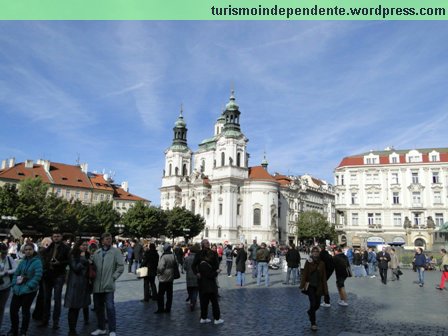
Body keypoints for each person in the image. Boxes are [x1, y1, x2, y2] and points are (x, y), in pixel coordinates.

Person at [91, 233, 124, 336]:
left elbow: (120, 267)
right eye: (106, 239)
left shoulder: (116, 252)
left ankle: (112, 330)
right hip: (97, 285)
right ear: (102, 241)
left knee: (110, 308)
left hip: (108, 285)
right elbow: (92, 265)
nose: (109, 240)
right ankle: (101, 328)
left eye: (110, 239)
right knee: (98, 307)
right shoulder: (97, 252)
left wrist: (113, 277)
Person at [8, 243, 43, 336]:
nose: (28, 251)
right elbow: (16, 274)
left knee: (25, 312)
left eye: (30, 249)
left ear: (33, 250)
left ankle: (23, 331)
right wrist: (14, 285)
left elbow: (38, 276)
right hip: (18, 289)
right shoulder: (22, 261)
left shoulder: (37, 262)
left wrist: (29, 286)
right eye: (26, 249)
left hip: (29, 291)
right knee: (13, 311)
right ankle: (14, 329)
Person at [39, 231, 70, 330]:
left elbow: (69, 261)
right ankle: (45, 320)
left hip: (59, 275)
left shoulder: (66, 248)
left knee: (57, 299)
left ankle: (55, 322)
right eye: (54, 236)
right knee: (46, 299)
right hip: (48, 275)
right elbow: (43, 257)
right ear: (52, 237)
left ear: (61, 237)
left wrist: (59, 263)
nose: (56, 238)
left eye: (58, 236)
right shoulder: (49, 246)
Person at [191, 239, 223, 325]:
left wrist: (197, 273)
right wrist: (216, 271)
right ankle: (216, 318)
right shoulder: (212, 253)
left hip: (202, 280)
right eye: (207, 243)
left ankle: (203, 317)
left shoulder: (199, 254)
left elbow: (193, 265)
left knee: (203, 300)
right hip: (210, 280)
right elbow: (216, 266)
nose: (208, 244)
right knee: (214, 301)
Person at [64, 240, 92, 336]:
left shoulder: (87, 255)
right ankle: (72, 329)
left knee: (84, 305)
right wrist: (83, 259)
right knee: (73, 308)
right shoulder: (73, 255)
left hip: (84, 284)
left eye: (86, 245)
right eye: (83, 245)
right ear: (78, 246)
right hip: (75, 284)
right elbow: (75, 268)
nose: (85, 247)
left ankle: (86, 319)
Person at [300, 246, 328, 331]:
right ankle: (313, 323)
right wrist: (302, 285)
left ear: (319, 253)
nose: (315, 253)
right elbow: (304, 273)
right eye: (314, 252)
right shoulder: (308, 262)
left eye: (317, 252)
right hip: (310, 286)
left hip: (319, 286)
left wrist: (325, 290)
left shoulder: (322, 263)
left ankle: (310, 312)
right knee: (312, 303)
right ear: (311, 253)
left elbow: (324, 277)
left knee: (317, 305)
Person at [155, 244, 176, 314]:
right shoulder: (173, 256)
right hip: (171, 277)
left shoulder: (164, 257)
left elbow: (160, 267)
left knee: (160, 294)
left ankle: (160, 308)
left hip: (163, 277)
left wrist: (158, 273)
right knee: (169, 294)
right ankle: (168, 308)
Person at [0, 243, 17, 332]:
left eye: (5, 253)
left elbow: (15, 268)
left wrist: (8, 272)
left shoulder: (9, 259)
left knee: (1, 308)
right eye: (2, 253)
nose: (3, 255)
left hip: (5, 288)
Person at [183, 244, 200, 310]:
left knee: (190, 289)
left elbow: (184, 267)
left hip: (189, 276)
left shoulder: (187, 258)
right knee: (195, 290)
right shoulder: (198, 258)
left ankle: (191, 300)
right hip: (196, 276)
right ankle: (193, 302)